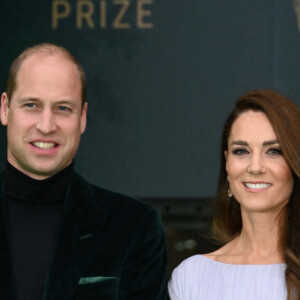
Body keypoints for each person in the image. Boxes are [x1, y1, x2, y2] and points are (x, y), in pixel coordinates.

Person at [0, 43, 168, 300]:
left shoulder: (135, 227)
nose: (46, 126)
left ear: (82, 118)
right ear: (5, 108)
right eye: (32, 105)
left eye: (63, 108)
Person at [168, 89, 300, 300]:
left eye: (274, 151)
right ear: (227, 164)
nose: (255, 167)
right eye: (242, 151)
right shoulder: (192, 276)